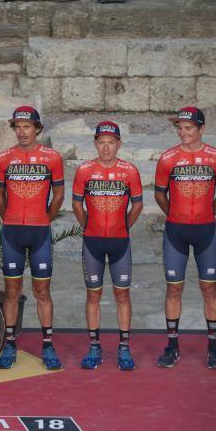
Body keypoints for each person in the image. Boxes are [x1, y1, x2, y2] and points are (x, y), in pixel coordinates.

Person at [154, 107, 216, 370]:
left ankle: (213, 348)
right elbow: (160, 195)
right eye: (179, 128)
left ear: (201, 129)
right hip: (176, 231)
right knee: (174, 288)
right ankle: (172, 347)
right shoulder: (168, 158)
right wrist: (176, 214)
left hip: (205, 231)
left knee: (209, 289)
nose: (182, 132)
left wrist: (207, 214)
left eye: (188, 128)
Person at [0, 106, 64, 370]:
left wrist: (45, 218)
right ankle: (9, 344)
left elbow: (58, 195)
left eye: (27, 127)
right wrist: (8, 217)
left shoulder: (52, 158)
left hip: (39, 232)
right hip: (12, 231)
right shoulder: (3, 158)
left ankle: (48, 345)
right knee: (12, 291)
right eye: (18, 127)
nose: (22, 132)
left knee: (42, 291)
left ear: (37, 129)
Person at [72, 122, 143, 371]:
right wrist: (89, 227)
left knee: (122, 294)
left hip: (120, 242)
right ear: (95, 143)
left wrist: (123, 227)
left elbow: (137, 205)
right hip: (92, 241)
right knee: (94, 294)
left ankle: (124, 348)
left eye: (111, 142)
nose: (106, 147)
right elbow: (77, 206)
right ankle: (94, 348)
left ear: (119, 144)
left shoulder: (129, 171)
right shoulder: (84, 170)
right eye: (101, 142)